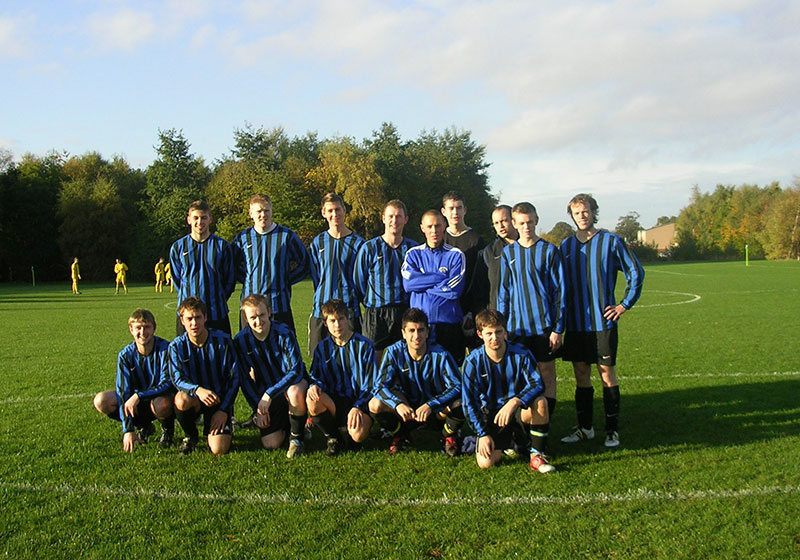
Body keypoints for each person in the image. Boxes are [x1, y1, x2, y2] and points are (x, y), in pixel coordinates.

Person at [559, 193, 644, 448]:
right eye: (576, 213)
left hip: (602, 323)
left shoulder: (611, 242)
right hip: (575, 324)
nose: (582, 216)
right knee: (581, 374)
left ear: (594, 212)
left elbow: (636, 272)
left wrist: (623, 305)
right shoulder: (566, 246)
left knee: (606, 374)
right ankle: (585, 428)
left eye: (585, 211)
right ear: (571, 216)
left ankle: (611, 430)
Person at [461, 309, 555, 473]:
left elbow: (537, 383)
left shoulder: (521, 354)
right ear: (479, 334)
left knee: (540, 402)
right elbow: (469, 402)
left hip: (517, 410)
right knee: (486, 463)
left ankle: (536, 455)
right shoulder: (473, 361)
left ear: (505, 332)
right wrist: (482, 434)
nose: (494, 337)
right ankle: (513, 441)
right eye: (489, 333)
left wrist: (514, 402)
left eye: (498, 332)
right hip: (491, 415)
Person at [497, 202, 565, 417]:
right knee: (516, 377)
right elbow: (503, 292)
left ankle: (544, 423)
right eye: (522, 223)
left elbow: (560, 292)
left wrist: (558, 329)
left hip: (543, 327)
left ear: (536, 221)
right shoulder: (508, 253)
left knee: (546, 375)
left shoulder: (549, 251)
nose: (526, 226)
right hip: (517, 329)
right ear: (514, 224)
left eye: (530, 222)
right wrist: (502, 327)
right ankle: (519, 429)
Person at [368, 308, 464, 455]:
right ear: (403, 333)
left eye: (420, 330)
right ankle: (400, 434)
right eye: (411, 331)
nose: (416, 336)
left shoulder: (440, 355)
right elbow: (380, 385)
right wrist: (398, 404)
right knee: (375, 404)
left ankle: (446, 435)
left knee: (462, 403)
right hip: (408, 411)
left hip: (435, 411)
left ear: (427, 332)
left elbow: (458, 385)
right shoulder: (394, 352)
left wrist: (431, 405)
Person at [233, 294, 309, 458]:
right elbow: (244, 378)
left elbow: (295, 370)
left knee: (294, 392)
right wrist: (257, 409)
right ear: (246, 319)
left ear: (268, 312)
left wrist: (269, 394)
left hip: (290, 386)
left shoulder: (284, 333)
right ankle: (292, 426)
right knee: (271, 443)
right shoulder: (241, 341)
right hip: (267, 396)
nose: (258, 321)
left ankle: (296, 439)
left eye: (261, 315)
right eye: (253, 317)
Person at [92, 309, 175, 452]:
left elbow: (167, 383)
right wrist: (128, 430)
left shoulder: (166, 349)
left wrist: (139, 395)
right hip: (136, 403)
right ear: (131, 329)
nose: (142, 332)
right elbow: (123, 391)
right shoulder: (125, 355)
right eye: (138, 328)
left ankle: (167, 430)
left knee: (161, 403)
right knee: (101, 401)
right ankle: (143, 426)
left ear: (154, 328)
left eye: (147, 327)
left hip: (158, 399)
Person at [169, 297, 239, 455]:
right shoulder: (176, 346)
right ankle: (190, 436)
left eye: (198, 317)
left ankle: (218, 423)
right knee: (181, 399)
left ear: (205, 317)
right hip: (194, 399)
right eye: (189, 319)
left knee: (219, 449)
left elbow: (234, 379)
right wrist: (198, 390)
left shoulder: (223, 342)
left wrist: (223, 410)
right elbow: (177, 379)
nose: (194, 324)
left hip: (218, 401)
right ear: (182, 321)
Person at [306, 299, 376, 456]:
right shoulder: (322, 348)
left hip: (359, 402)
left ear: (348, 318)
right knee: (312, 399)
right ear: (325, 323)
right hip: (334, 403)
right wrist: (314, 385)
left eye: (341, 319)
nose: (337, 325)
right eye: (332, 321)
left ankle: (354, 434)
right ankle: (334, 437)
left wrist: (358, 406)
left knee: (358, 436)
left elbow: (372, 383)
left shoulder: (364, 346)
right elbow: (315, 376)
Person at [233, 194, 309, 332]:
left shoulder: (286, 236)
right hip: (250, 309)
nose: (263, 215)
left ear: (272, 211)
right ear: (251, 214)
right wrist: (247, 279)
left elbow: (304, 263)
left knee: (283, 349)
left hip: (279, 305)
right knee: (249, 351)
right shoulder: (242, 238)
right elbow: (231, 266)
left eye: (266, 210)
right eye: (259, 211)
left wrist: (286, 279)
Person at [353, 199, 417, 361]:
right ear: (383, 218)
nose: (394, 220)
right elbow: (359, 283)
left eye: (398, 216)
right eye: (390, 216)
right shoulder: (369, 248)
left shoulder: (413, 249)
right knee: (374, 361)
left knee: (405, 360)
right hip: (376, 313)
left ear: (405, 219)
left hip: (404, 311)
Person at [401, 210, 467, 364]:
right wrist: (440, 278)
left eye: (437, 226)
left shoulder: (456, 255)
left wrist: (422, 283)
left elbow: (453, 291)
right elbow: (408, 284)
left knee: (453, 375)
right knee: (424, 374)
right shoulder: (413, 255)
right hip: (421, 327)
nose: (434, 230)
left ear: (444, 225)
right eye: (429, 226)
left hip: (449, 325)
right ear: (422, 228)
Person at [308, 193, 365, 355]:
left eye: (338, 210)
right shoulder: (318, 242)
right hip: (321, 311)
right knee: (320, 360)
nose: (335, 214)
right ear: (323, 213)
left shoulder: (358, 243)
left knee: (352, 358)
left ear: (344, 210)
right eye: (330, 211)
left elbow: (361, 279)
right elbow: (316, 276)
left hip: (349, 311)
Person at [169, 200, 236, 336]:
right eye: (196, 218)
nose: (200, 222)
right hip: (188, 316)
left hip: (216, 313)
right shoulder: (178, 247)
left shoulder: (222, 246)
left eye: (204, 217)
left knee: (221, 355)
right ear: (189, 220)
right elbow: (177, 280)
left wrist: (216, 298)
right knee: (187, 355)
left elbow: (229, 280)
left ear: (210, 219)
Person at [441, 191, 485, 347]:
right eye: (451, 208)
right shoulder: (438, 239)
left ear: (465, 210)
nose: (455, 212)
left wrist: (474, 309)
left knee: (474, 354)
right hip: (445, 307)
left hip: (471, 308)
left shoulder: (476, 240)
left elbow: (480, 279)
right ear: (443, 211)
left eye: (458, 207)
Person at [477, 204, 518, 310]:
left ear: (513, 220)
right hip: (497, 314)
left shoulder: (527, 248)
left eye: (504, 221)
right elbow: (481, 287)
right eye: (496, 223)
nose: (501, 226)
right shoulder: (489, 252)